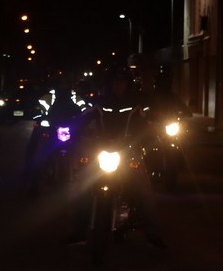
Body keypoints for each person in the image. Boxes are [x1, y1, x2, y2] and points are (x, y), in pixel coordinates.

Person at [63, 66, 167, 249]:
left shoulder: (137, 103)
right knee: (84, 187)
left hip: (129, 151)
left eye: (122, 82)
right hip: (101, 151)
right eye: (115, 82)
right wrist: (73, 128)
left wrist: (152, 133)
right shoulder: (99, 103)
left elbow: (147, 121)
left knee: (144, 192)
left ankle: (154, 236)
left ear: (127, 84)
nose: (118, 85)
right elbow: (83, 117)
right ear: (109, 84)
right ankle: (79, 234)